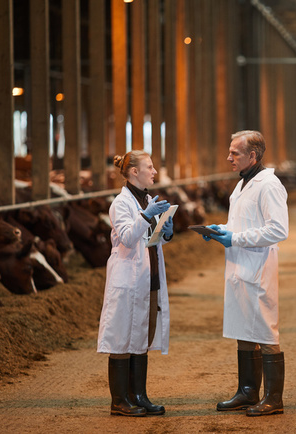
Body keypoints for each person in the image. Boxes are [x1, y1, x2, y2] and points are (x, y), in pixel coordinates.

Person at [204, 130, 289, 416]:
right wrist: (221, 230)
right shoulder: (241, 186)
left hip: (259, 268)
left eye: (234, 153)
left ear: (252, 156)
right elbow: (241, 224)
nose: (229, 157)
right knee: (244, 329)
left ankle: (273, 399)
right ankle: (248, 391)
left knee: (265, 331)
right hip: (240, 266)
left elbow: (278, 230)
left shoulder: (269, 185)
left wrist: (236, 239)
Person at [97, 150, 174, 417]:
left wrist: (165, 229)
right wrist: (146, 215)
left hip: (147, 277)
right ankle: (120, 400)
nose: (154, 172)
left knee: (142, 335)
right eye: (150, 167)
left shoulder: (147, 199)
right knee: (122, 337)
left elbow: (149, 239)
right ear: (134, 172)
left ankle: (139, 396)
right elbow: (129, 238)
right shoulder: (121, 203)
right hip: (127, 278)